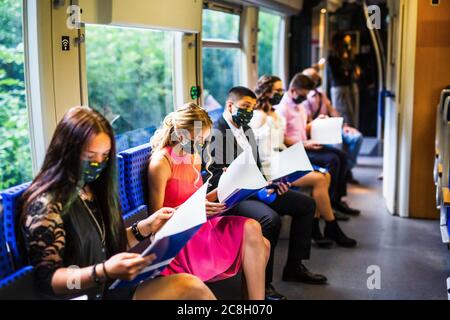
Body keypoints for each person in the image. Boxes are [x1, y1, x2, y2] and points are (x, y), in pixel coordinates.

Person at [20, 106, 215, 300]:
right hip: (85, 294)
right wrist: (102, 271)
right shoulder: (45, 205)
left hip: (110, 287)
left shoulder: (92, 190)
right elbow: (48, 280)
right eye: (90, 156)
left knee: (192, 287)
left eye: (104, 156)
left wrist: (145, 227)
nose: (98, 163)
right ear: (66, 151)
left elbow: (108, 245)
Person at [208, 86, 328, 301]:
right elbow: (217, 179)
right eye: (245, 107)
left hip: (257, 188)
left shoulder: (246, 129)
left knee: (306, 205)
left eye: (252, 108)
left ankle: (294, 266)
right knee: (269, 219)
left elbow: (255, 167)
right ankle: (264, 284)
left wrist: (274, 181)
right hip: (233, 197)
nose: (249, 112)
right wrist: (256, 188)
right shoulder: (218, 132)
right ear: (230, 105)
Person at [148, 103, 270, 300]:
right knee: (261, 245)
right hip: (181, 235)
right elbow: (156, 220)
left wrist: (228, 185)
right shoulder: (161, 163)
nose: (200, 146)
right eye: (197, 140)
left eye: (203, 141)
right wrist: (194, 208)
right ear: (180, 135)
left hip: (201, 225)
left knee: (254, 229)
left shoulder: (193, 155)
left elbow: (197, 199)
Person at [252, 75, 357, 248]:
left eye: (281, 90)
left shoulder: (274, 114)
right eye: (277, 90)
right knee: (318, 179)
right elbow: (260, 153)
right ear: (267, 92)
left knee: (326, 176)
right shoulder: (259, 117)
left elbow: (280, 143)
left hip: (282, 157)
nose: (281, 93)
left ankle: (316, 228)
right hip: (271, 166)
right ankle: (331, 227)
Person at [275, 73, 360, 216]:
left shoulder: (300, 106)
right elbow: (282, 138)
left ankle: (337, 199)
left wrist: (317, 122)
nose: (306, 96)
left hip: (306, 144)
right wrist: (305, 144)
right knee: (333, 160)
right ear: (293, 91)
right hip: (296, 149)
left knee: (342, 156)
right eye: (304, 93)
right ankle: (331, 203)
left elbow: (303, 128)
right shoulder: (283, 109)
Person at [302, 67, 363, 183]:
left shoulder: (321, 94)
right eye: (314, 78)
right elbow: (307, 124)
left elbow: (331, 109)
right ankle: (343, 173)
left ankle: (346, 170)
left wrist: (344, 125)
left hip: (332, 126)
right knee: (337, 145)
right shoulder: (304, 99)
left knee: (357, 137)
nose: (317, 79)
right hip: (318, 132)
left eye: (317, 77)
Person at [327, 33, 358, 127]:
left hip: (342, 86)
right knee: (343, 113)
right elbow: (339, 72)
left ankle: (350, 133)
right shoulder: (333, 56)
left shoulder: (340, 56)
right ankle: (346, 134)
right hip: (339, 87)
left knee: (348, 112)